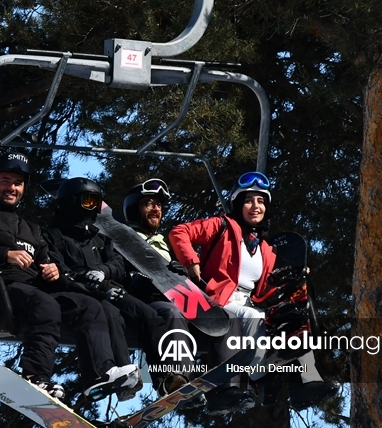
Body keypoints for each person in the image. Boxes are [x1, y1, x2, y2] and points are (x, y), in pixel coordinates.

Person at [0, 153, 138, 401]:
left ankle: (99, 376)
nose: (12, 188)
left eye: (18, 183)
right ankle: (36, 377)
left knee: (89, 306)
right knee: (43, 303)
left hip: (31, 292)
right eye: (6, 181)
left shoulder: (31, 228)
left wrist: (53, 271)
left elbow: (47, 261)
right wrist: (4, 254)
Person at [168, 171, 339, 413]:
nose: (255, 206)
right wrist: (190, 261)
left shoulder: (265, 249)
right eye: (248, 200)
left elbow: (273, 281)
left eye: (261, 201)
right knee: (255, 318)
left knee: (295, 319)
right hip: (218, 300)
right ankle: (252, 379)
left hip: (251, 303)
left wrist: (298, 276)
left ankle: (306, 383)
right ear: (238, 204)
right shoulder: (221, 226)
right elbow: (179, 232)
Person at [41, 177, 174, 400]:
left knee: (149, 315)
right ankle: (123, 374)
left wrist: (103, 271)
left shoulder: (99, 235)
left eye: (96, 202)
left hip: (108, 287)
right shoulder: (53, 235)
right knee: (109, 313)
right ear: (72, 202)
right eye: (88, 201)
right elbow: (60, 270)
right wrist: (87, 281)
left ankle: (165, 377)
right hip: (82, 294)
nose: (92, 207)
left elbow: (117, 263)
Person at [121, 178, 199, 397]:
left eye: (159, 205)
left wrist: (178, 273)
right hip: (135, 298)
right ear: (134, 209)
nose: (156, 209)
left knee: (177, 313)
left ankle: (179, 379)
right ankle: (173, 377)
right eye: (149, 204)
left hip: (163, 298)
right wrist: (133, 277)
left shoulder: (161, 242)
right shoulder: (124, 238)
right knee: (170, 313)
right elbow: (116, 267)